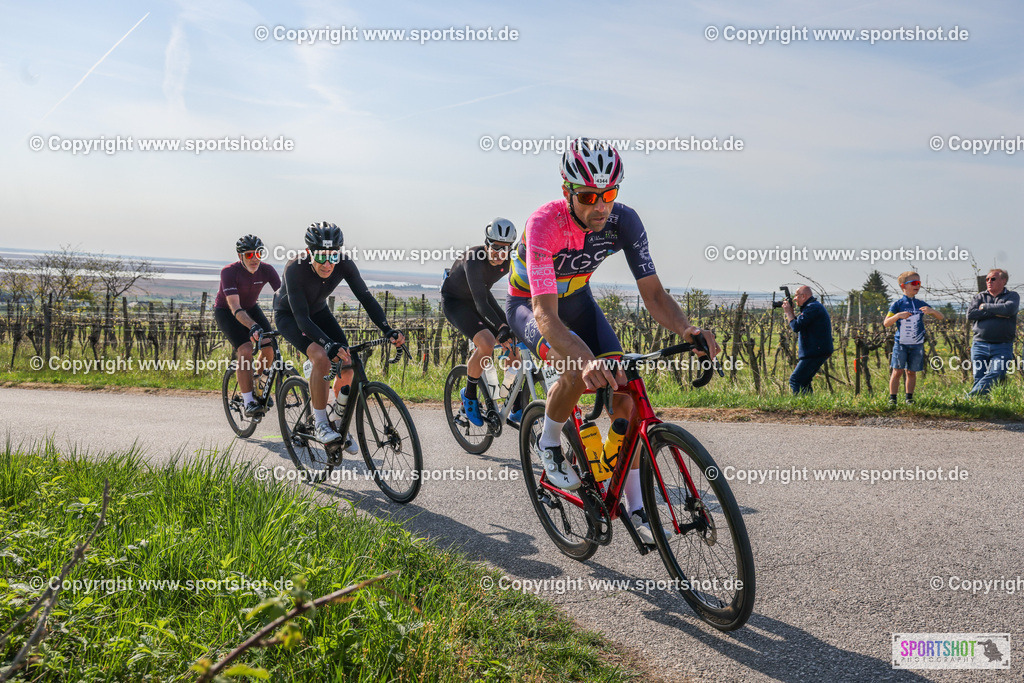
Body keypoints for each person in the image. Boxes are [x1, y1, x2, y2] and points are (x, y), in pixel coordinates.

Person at [506, 137, 719, 545]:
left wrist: (687, 330)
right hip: (531, 305)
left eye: (608, 194)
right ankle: (549, 442)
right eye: (588, 196)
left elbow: (655, 296)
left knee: (626, 393)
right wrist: (583, 358)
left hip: (579, 301)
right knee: (572, 369)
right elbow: (545, 316)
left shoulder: (625, 221)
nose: (600, 206)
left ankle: (635, 503)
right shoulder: (544, 224)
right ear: (568, 191)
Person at [274, 222, 405, 447]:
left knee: (348, 363)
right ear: (309, 253)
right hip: (291, 316)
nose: (328, 264)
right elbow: (302, 319)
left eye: (333, 257)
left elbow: (366, 298)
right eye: (322, 257)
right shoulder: (294, 268)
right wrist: (326, 345)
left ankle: (335, 420)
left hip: (319, 311)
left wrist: (387, 329)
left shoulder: (345, 264)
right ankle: (320, 423)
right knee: (322, 356)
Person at [441, 218, 524, 426]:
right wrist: (501, 327)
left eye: (505, 249)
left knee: (514, 343)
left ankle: (515, 403)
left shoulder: (509, 261)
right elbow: (480, 304)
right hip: (457, 303)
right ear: (486, 244)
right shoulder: (473, 258)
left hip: (482, 298)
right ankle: (469, 395)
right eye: (495, 247)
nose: (500, 254)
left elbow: (522, 289)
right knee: (487, 342)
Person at [213, 235, 281, 416]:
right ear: (240, 256)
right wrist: (252, 325)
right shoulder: (229, 272)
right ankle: (248, 400)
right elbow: (234, 306)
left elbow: (284, 296)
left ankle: (259, 386)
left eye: (258, 253)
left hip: (251, 308)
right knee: (245, 349)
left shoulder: (267, 270)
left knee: (269, 347)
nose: (254, 258)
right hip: (227, 311)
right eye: (249, 255)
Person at [883, 271, 943, 405]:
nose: (918, 285)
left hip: (917, 344)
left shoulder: (921, 303)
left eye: (919, 283)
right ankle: (892, 399)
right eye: (914, 283)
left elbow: (941, 317)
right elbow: (886, 323)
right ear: (903, 286)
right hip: (901, 343)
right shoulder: (897, 305)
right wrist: (898, 315)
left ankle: (909, 399)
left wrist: (932, 311)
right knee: (897, 370)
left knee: (911, 372)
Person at [967, 269, 1019, 397]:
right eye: (987, 279)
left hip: (1002, 346)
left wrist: (985, 307)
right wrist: (998, 312)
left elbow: (1009, 309)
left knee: (998, 372)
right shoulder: (979, 297)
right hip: (979, 344)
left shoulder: (1012, 296)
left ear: (1004, 280)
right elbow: (971, 314)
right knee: (979, 376)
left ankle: (970, 397)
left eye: (993, 279)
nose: (989, 281)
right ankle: (981, 406)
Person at [781, 285, 833, 394]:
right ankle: (808, 406)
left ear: (803, 296)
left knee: (795, 380)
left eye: (796, 296)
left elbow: (796, 327)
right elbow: (798, 323)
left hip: (815, 351)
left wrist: (788, 312)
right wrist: (791, 313)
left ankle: (801, 406)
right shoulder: (812, 307)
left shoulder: (812, 308)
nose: (794, 299)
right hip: (816, 350)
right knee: (804, 381)